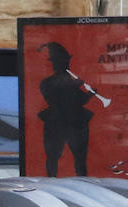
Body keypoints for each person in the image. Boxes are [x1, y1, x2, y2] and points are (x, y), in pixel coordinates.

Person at [38, 42, 95, 178]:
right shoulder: (48, 82)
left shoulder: (69, 81)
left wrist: (90, 94)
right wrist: (75, 87)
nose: (67, 65)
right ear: (57, 63)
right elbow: (54, 99)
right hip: (59, 122)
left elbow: (81, 100)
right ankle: (51, 184)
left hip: (75, 122)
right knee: (53, 157)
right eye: (64, 62)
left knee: (80, 158)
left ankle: (83, 184)